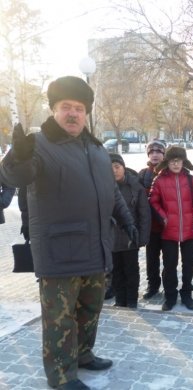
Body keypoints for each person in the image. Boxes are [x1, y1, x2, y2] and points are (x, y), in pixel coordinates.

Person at [0, 76, 138, 390]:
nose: (73, 114)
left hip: (96, 246)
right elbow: (17, 175)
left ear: (86, 113)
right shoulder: (37, 145)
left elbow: (112, 192)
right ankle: (61, 375)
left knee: (90, 308)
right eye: (66, 107)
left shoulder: (95, 148)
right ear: (53, 110)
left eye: (79, 108)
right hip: (59, 251)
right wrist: (15, 156)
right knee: (59, 318)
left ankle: (83, 353)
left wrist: (127, 220)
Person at [149, 146, 193, 311]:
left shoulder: (190, 180)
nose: (176, 164)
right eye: (173, 161)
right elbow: (153, 200)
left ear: (183, 162)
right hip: (168, 232)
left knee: (188, 265)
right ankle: (170, 296)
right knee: (169, 266)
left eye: (178, 161)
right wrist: (164, 217)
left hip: (189, 231)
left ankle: (186, 294)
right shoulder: (159, 180)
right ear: (167, 162)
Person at [110, 153, 151, 308]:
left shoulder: (135, 186)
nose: (114, 170)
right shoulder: (104, 187)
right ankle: (120, 299)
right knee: (116, 271)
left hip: (130, 237)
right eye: (110, 168)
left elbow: (144, 214)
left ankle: (132, 299)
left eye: (117, 166)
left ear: (123, 167)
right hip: (111, 238)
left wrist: (142, 237)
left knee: (131, 270)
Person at [139, 139, 167, 300]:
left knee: (169, 259)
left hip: (166, 224)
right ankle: (153, 285)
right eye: (152, 152)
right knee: (151, 258)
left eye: (158, 152)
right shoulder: (143, 173)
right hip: (150, 225)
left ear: (164, 154)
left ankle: (169, 285)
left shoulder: (169, 171)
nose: (155, 155)